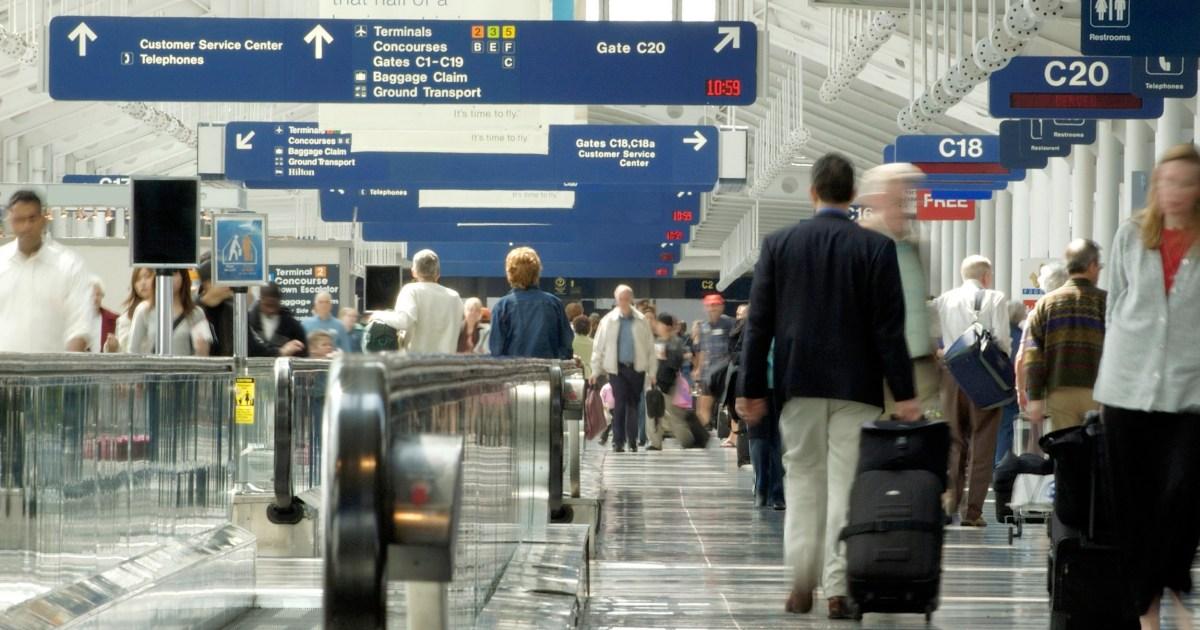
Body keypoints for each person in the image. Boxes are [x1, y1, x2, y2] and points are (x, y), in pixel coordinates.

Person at [735, 153, 919, 619]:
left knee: (801, 484)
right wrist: (906, 393)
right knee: (845, 490)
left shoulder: (779, 245)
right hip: (857, 391)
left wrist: (750, 388)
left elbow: (759, 327)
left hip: (798, 387)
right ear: (853, 196)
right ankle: (838, 589)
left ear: (812, 192)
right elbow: (889, 330)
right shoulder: (875, 249)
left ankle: (800, 582)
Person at [1093, 143, 1200, 630]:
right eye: (1166, 182)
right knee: (1133, 503)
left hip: (1190, 389)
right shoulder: (1131, 235)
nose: (1173, 192)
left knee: (1183, 492)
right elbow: (1115, 305)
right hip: (1127, 387)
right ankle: (1148, 608)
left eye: (1183, 183)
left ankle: (1172, 579)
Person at [858, 163, 942, 420]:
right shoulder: (861, 240)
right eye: (898, 196)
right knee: (877, 446)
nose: (906, 203)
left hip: (920, 367)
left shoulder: (914, 244)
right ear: (877, 198)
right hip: (875, 369)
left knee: (926, 444)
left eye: (909, 194)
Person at [934, 255, 1012, 527]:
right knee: (983, 441)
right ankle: (973, 512)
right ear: (986, 276)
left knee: (955, 440)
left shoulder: (944, 300)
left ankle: (949, 504)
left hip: (952, 375)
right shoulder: (995, 298)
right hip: (984, 377)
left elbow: (936, 340)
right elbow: (1001, 340)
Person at [1023, 239, 1106, 433]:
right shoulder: (1106, 301)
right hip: (1099, 391)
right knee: (1099, 452)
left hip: (1059, 391)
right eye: (1099, 266)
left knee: (1067, 449)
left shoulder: (1045, 303)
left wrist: (1035, 398)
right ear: (1092, 265)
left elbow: (1033, 354)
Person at [0, 190, 93, 353]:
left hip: (51, 373)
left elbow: (80, 325)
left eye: (32, 219)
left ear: (43, 219)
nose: (26, 226)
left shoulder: (69, 265)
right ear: (10, 222)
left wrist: (66, 369)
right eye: (19, 220)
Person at [591, 285, 657, 453]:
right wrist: (595, 370)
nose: (624, 302)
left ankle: (632, 440)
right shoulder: (608, 321)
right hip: (616, 368)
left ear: (632, 299)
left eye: (627, 298)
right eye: (621, 299)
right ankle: (618, 442)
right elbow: (598, 347)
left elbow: (650, 348)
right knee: (619, 403)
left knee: (633, 404)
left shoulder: (641, 320)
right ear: (616, 300)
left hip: (637, 368)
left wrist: (652, 372)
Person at [489, 247, 573, 359]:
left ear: (510, 272)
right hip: (548, 373)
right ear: (537, 272)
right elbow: (566, 346)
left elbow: (496, 351)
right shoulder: (554, 304)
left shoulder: (502, 307)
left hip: (514, 373)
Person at [375, 249, 463, 354]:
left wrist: (379, 315)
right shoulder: (454, 297)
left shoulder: (411, 291)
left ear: (414, 272)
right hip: (447, 364)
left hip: (417, 364)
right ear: (438, 273)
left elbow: (404, 321)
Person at [127, 270, 212, 356]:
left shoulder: (197, 313)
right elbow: (132, 350)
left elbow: (204, 355)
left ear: (183, 278)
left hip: (184, 368)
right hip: (152, 368)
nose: (168, 277)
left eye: (174, 273)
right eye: (162, 273)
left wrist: (201, 349)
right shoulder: (143, 310)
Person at [647, 313, 695, 450]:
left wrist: (664, 358)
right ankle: (655, 442)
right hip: (656, 382)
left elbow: (675, 363)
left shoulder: (675, 342)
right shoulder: (657, 341)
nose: (657, 326)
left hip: (669, 383)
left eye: (660, 323)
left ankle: (687, 440)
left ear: (666, 326)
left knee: (674, 415)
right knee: (653, 413)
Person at [694, 294, 735, 430]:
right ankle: (702, 435)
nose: (712, 309)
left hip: (724, 371)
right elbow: (702, 350)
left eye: (715, 305)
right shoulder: (703, 326)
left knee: (730, 404)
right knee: (703, 405)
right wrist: (699, 369)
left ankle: (734, 435)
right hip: (708, 372)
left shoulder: (730, 324)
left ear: (722, 307)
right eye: (709, 305)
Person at [249, 283, 309, 358]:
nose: (270, 310)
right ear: (261, 300)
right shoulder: (248, 322)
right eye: (267, 305)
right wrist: (281, 351)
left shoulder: (292, 326)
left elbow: (303, 355)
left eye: (274, 306)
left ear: (280, 302)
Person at [107, 267, 156, 353]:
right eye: (138, 279)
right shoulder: (125, 319)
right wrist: (112, 347)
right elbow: (124, 351)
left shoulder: (166, 312)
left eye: (147, 277)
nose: (143, 283)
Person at [88, 278, 119, 353]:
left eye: (98, 294)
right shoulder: (78, 320)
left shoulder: (114, 318)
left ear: (102, 296)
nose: (95, 298)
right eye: (91, 294)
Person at [571, 316, 594, 380]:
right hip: (589, 375)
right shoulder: (594, 343)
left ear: (574, 327)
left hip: (573, 375)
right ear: (589, 328)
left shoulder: (571, 342)